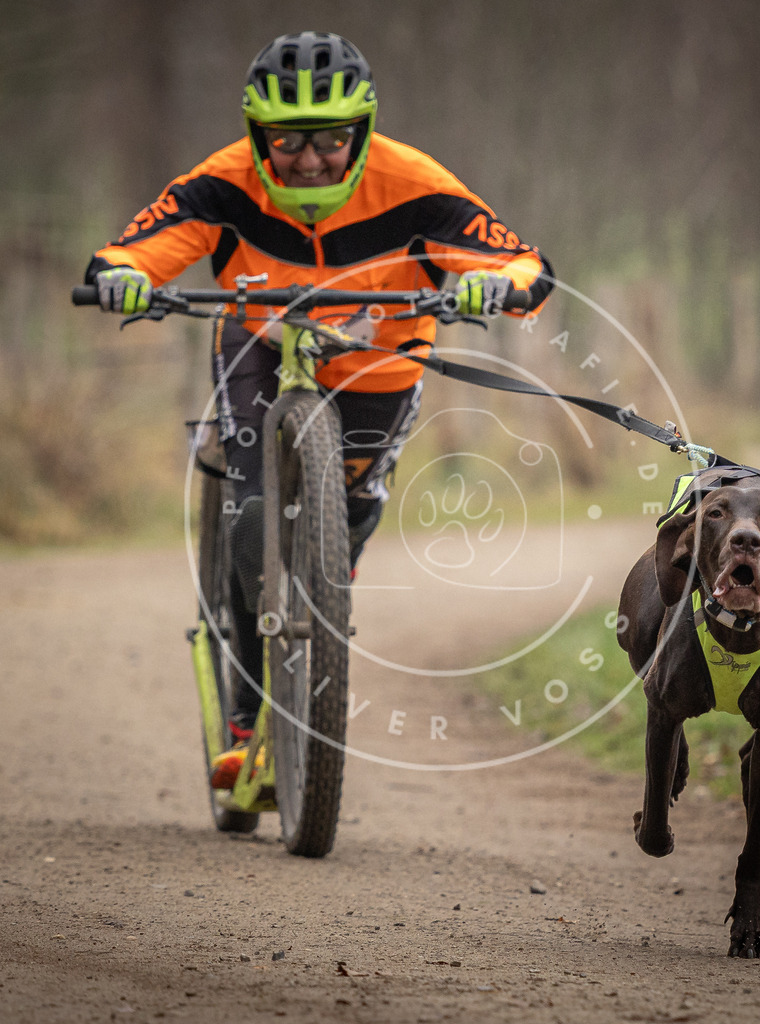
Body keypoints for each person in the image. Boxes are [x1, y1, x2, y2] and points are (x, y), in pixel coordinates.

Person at [85, 31, 554, 787]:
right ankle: (246, 712)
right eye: (287, 141)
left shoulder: (416, 185)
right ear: (256, 136)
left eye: (330, 141)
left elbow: (518, 259)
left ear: (360, 132)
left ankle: (328, 574)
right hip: (259, 341)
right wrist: (121, 277)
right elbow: (138, 246)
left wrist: (499, 284)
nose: (308, 160)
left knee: (356, 498)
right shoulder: (225, 181)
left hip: (380, 356)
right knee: (250, 514)